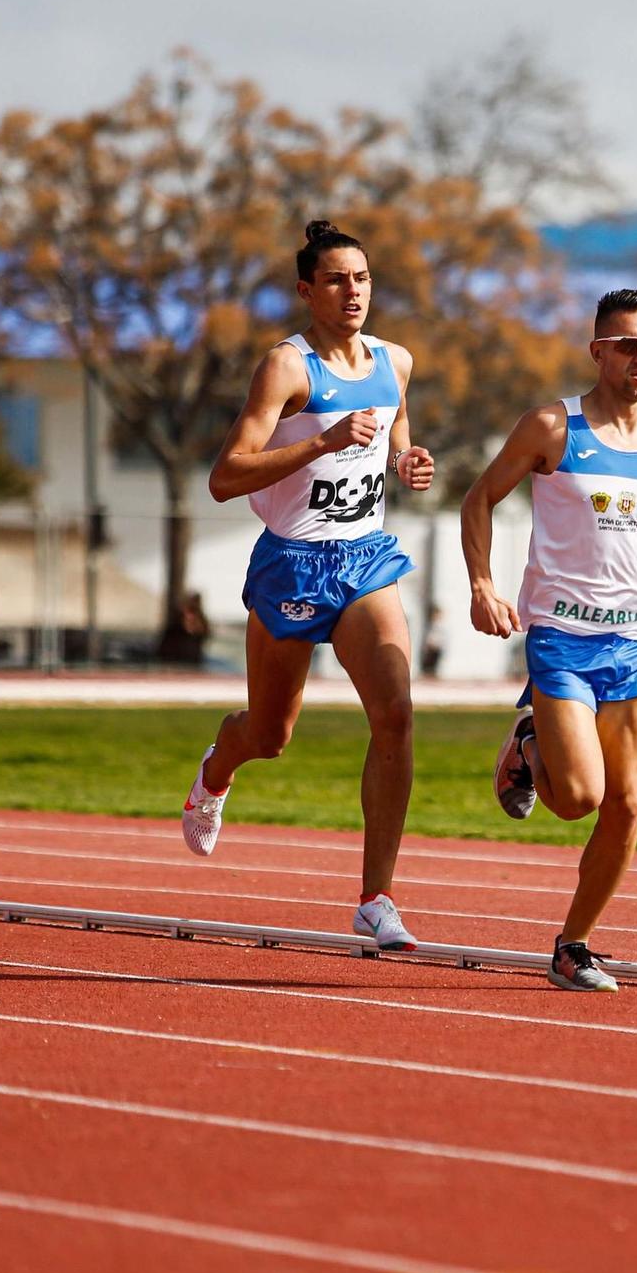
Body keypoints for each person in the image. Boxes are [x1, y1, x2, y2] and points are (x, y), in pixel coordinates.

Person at [460, 287, 637, 991]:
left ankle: (573, 944)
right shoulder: (553, 426)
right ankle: (527, 744)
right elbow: (479, 498)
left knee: (630, 802)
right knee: (578, 796)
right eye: (629, 345)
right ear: (598, 351)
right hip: (562, 637)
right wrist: (483, 585)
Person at [178, 220, 435, 952]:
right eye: (334, 280)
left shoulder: (396, 362)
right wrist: (319, 441)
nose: (351, 291)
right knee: (271, 733)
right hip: (291, 562)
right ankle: (217, 768)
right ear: (306, 290)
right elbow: (226, 476)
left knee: (395, 713)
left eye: (361, 278)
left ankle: (376, 897)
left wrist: (409, 463)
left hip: (363, 561)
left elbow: (395, 440)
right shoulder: (285, 369)